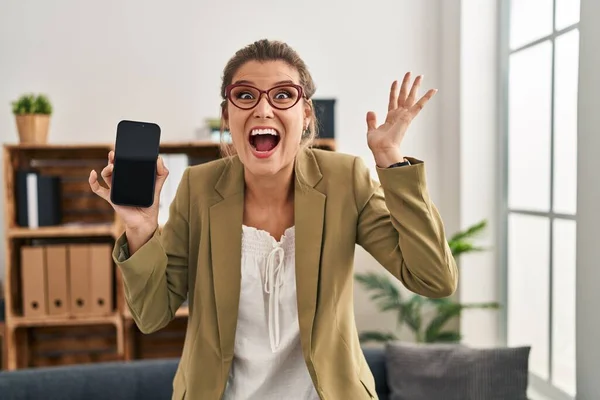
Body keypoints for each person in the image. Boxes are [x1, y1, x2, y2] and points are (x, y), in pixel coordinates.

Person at [89, 39, 457, 400]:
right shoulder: (198, 188)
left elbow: (434, 278)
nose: (263, 110)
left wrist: (391, 160)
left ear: (306, 114)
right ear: (227, 116)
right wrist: (140, 229)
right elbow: (151, 316)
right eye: (246, 96)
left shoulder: (346, 180)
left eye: (283, 95)